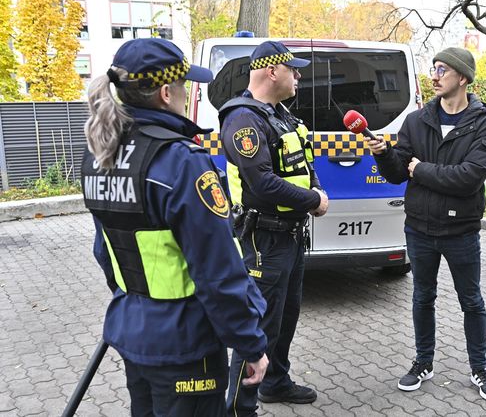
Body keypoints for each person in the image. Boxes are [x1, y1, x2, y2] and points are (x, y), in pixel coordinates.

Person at [80, 38, 269, 415]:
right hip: (187, 345)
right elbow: (217, 270)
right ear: (167, 93)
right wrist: (250, 344)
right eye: (184, 86)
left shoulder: (101, 153)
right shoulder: (181, 161)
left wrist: (137, 304)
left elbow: (106, 253)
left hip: (134, 332)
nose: (186, 94)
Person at [367, 47, 486, 402]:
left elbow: (468, 179)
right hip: (420, 228)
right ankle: (422, 362)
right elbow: (399, 172)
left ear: (462, 77)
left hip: (461, 232)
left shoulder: (483, 124)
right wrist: (384, 154)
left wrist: (419, 169)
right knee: (422, 297)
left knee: (471, 300)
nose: (434, 75)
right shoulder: (417, 120)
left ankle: (480, 367)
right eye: (433, 68)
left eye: (442, 69)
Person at [218, 40, 328, 417]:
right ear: (271, 71)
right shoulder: (243, 119)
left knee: (286, 315)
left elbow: (299, 164)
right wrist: (314, 201)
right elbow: (262, 183)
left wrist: (313, 188)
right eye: (293, 69)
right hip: (264, 238)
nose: (298, 76)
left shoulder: (280, 115)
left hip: (292, 235)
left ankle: (275, 382)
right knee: (259, 324)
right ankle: (236, 407)